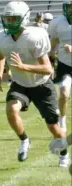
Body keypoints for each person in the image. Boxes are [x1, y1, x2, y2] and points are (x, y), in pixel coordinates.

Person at [0, 1, 69, 167]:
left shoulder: (34, 37)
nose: (10, 22)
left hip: (42, 85)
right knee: (11, 109)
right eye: (8, 18)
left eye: (14, 19)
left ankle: (63, 153)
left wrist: (23, 66)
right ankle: (24, 140)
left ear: (24, 19)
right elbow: (0, 58)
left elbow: (48, 69)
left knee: (53, 127)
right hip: (20, 84)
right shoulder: (1, 38)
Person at [48, 0, 72, 134]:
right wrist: (49, 58)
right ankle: (62, 121)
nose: (71, 9)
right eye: (69, 7)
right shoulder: (58, 22)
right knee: (63, 94)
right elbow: (54, 41)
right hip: (65, 64)